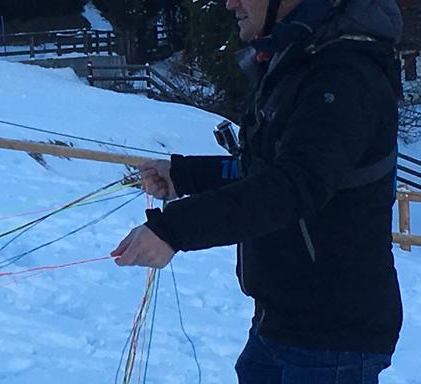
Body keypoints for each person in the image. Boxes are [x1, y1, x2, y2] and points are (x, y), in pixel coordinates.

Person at [109, 0, 403, 382]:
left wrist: (175, 229)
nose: (230, 3)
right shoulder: (298, 59)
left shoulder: (342, 74)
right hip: (279, 321)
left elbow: (293, 186)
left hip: (332, 339)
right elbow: (267, 169)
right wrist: (185, 175)